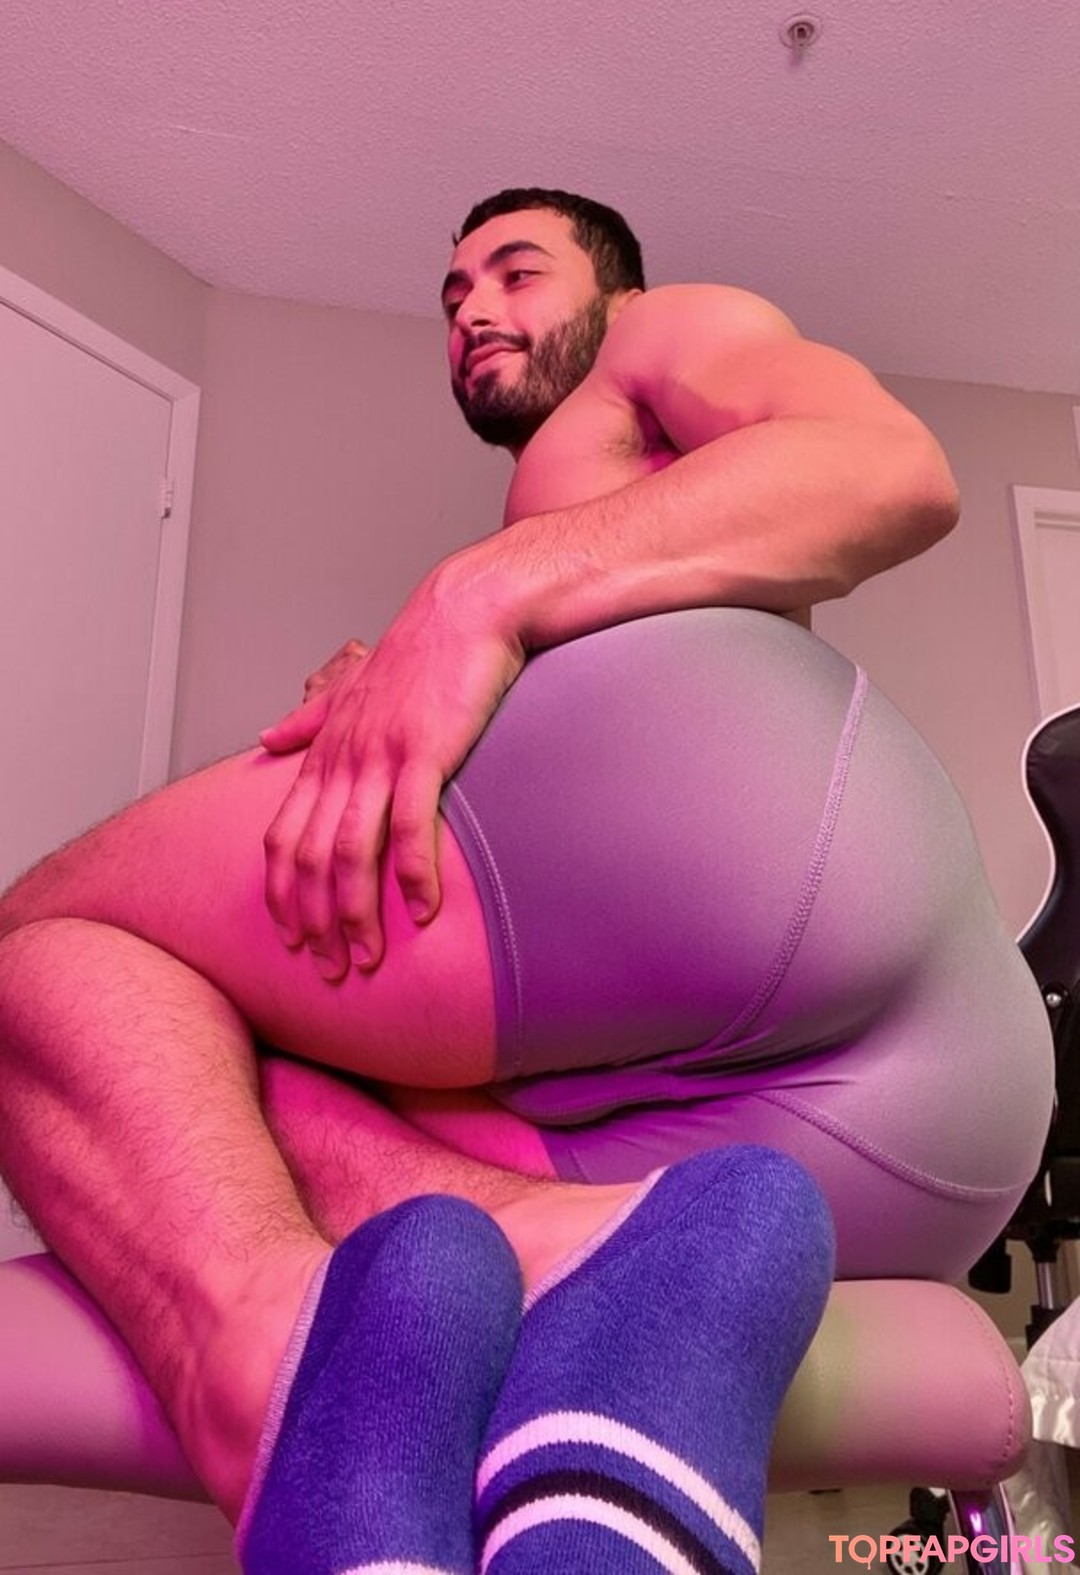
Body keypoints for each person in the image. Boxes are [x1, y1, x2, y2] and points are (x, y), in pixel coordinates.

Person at [0, 190, 1053, 1575]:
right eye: (450, 296)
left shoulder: (663, 335)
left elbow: (888, 466)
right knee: (218, 1077)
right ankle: (583, 1270)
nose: (472, 311)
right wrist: (411, 666)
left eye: (514, 272)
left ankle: (263, 1379)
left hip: (729, 824)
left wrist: (470, 597)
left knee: (45, 937)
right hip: (937, 1135)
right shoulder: (602, 505)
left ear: (615, 292)